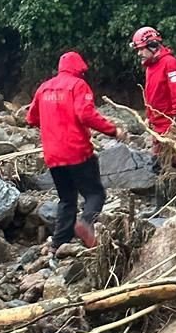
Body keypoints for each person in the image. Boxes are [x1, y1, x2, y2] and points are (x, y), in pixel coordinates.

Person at [27, 51, 125, 251]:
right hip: (77, 150)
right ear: (79, 69)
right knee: (95, 193)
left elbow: (31, 118)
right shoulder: (78, 85)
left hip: (53, 154)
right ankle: (86, 223)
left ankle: (59, 242)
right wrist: (113, 130)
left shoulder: (44, 88)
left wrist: (52, 123)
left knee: (66, 197)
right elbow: (86, 114)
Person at [130, 26, 176, 150]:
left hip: (170, 124)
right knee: (158, 161)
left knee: (172, 163)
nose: (139, 53)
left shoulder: (170, 63)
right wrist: (149, 117)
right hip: (157, 124)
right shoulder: (150, 67)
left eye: (141, 49)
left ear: (152, 45)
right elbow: (152, 95)